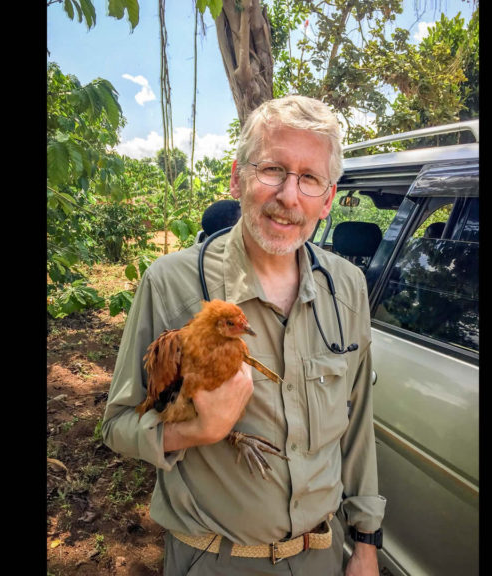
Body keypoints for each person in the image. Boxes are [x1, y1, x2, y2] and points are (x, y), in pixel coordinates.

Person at [103, 94, 385, 576]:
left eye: (310, 178)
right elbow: (117, 427)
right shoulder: (171, 283)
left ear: (328, 199)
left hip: (321, 555)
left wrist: (365, 543)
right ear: (238, 177)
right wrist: (198, 431)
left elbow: (357, 427)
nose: (289, 196)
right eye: (272, 169)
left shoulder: (348, 287)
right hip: (215, 560)